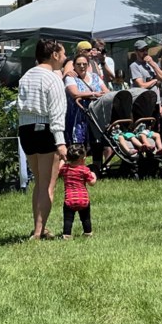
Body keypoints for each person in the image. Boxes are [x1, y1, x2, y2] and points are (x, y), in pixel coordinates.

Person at [17, 39, 68, 240]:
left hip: (26, 130)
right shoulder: (53, 79)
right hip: (46, 130)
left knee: (39, 182)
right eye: (63, 54)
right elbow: (57, 113)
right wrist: (61, 142)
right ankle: (38, 232)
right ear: (54, 55)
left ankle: (40, 227)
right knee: (48, 184)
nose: (65, 58)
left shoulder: (25, 77)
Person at [64, 53, 106, 146]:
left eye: (84, 64)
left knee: (97, 145)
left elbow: (106, 91)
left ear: (88, 65)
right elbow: (75, 94)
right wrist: (94, 94)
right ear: (74, 65)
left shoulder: (95, 76)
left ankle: (98, 161)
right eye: (78, 64)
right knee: (78, 145)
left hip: (95, 117)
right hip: (78, 119)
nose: (82, 66)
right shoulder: (71, 78)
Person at [59, 144, 96, 239]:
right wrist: (93, 174)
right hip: (83, 199)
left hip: (69, 199)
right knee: (86, 218)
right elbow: (92, 182)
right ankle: (88, 232)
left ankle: (67, 234)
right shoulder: (84, 170)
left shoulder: (65, 168)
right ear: (83, 159)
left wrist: (63, 160)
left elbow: (58, 170)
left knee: (68, 219)